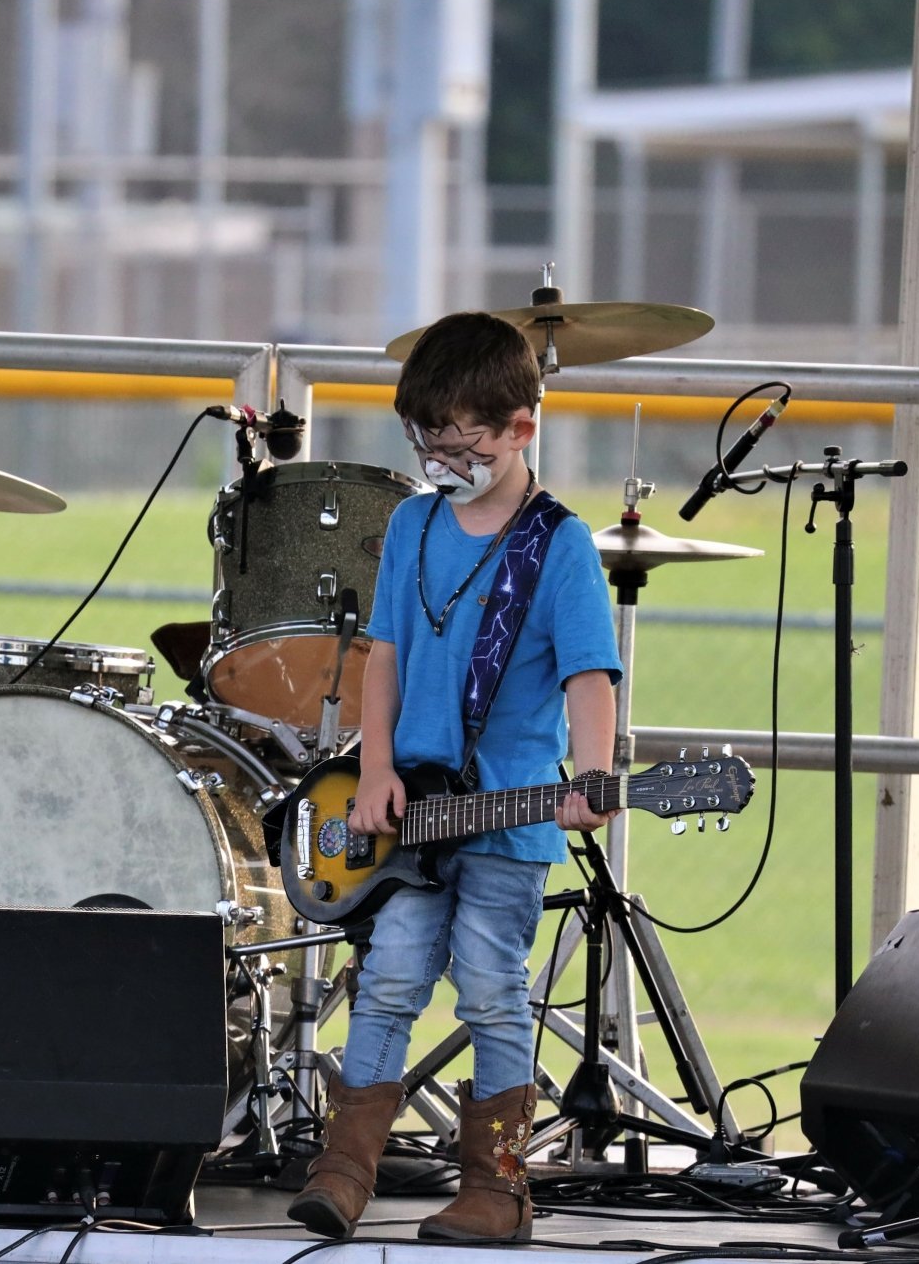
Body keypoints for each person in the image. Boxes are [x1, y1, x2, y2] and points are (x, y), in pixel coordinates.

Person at [287, 311, 624, 1242]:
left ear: (523, 426)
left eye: (461, 441)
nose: (440, 458)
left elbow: (589, 676)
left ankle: (498, 1184)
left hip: (509, 818)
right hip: (410, 811)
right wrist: (376, 766)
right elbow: (385, 653)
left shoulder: (557, 545)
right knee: (390, 974)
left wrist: (592, 774)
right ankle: (343, 1167)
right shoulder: (411, 523)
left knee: (489, 985)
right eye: (424, 439)